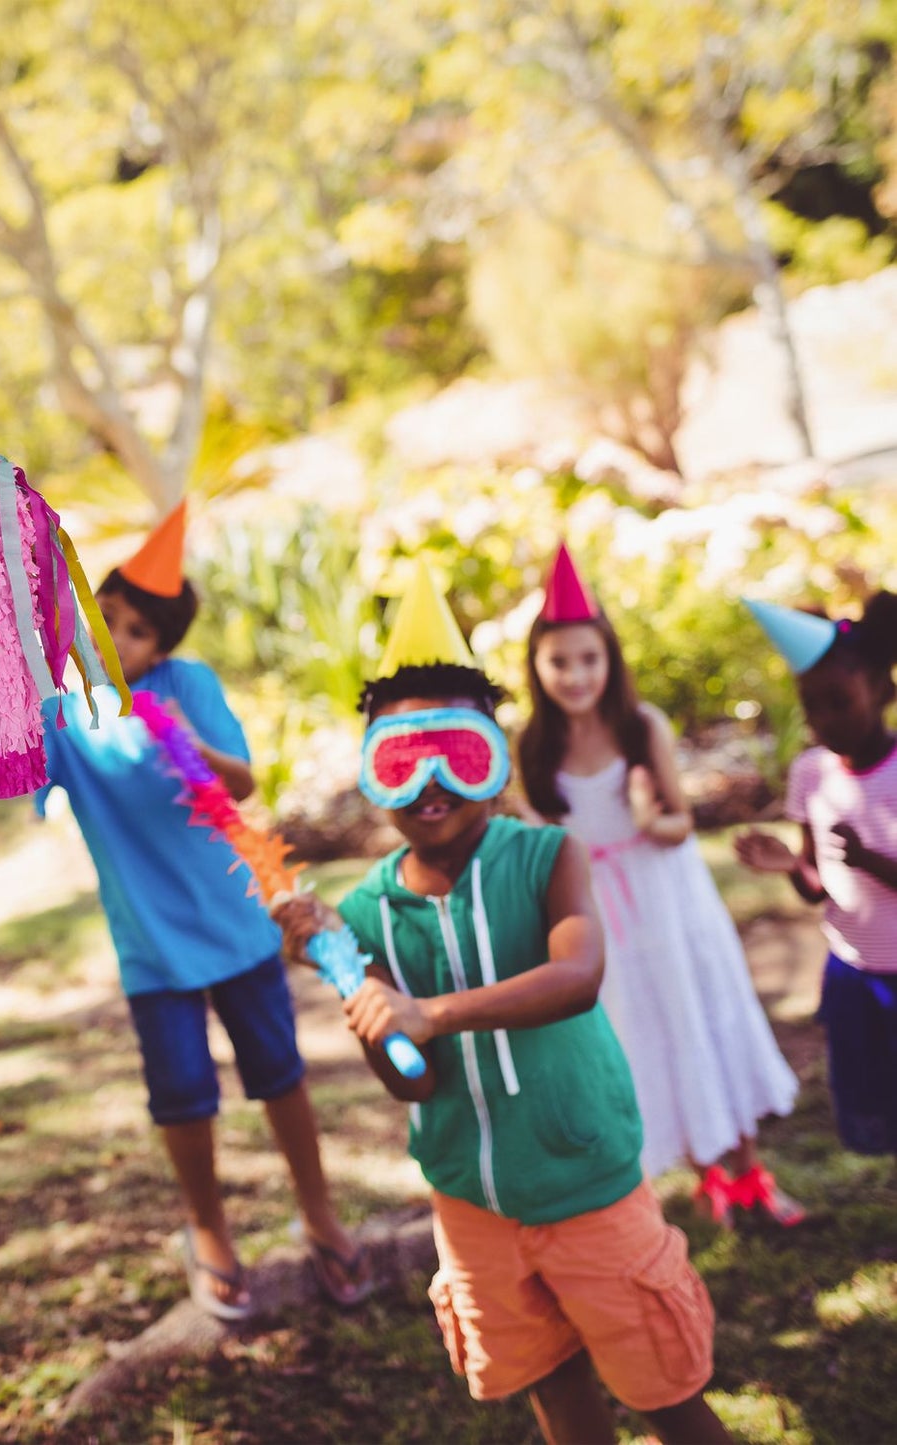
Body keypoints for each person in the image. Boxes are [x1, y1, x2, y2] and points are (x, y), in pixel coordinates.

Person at [275, 560, 730, 1445]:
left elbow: (578, 975)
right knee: (553, 1391)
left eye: (459, 751)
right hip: (470, 1203)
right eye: (401, 759)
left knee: (665, 1393)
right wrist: (356, 986)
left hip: (587, 1185)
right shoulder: (366, 910)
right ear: (372, 773)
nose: (430, 780)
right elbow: (409, 1081)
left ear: (493, 757)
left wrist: (430, 1013)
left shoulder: (546, 855)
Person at [35, 501, 370, 1320]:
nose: (116, 636)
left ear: (165, 647)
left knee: (278, 1073)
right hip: (152, 942)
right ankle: (207, 1227)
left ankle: (317, 1208)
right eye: (105, 616)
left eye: (138, 631)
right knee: (181, 1092)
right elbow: (26, 783)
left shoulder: (187, 686)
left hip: (235, 922)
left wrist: (189, 738)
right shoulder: (60, 710)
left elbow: (242, 783)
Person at [517, 543, 801, 1226]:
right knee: (642, 1026)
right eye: (558, 661)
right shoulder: (532, 748)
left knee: (697, 1014)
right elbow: (543, 842)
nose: (575, 674)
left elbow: (677, 824)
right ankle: (703, 1170)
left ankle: (747, 1168)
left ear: (609, 658)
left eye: (588, 658)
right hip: (599, 912)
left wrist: (650, 815)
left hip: (666, 901)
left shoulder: (640, 728)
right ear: (535, 665)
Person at [735, 589, 897, 1156]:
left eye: (839, 701)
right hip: (852, 972)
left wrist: (867, 858)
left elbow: (859, 865)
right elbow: (816, 887)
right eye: (812, 706)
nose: (824, 720)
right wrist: (788, 867)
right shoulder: (810, 773)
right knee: (870, 1097)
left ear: (880, 689)